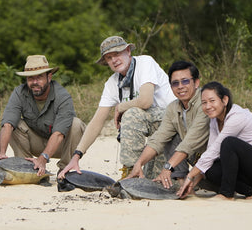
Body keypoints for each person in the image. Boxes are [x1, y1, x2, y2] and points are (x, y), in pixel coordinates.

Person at [58, 35, 176, 180]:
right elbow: (96, 122)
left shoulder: (145, 62)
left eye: (117, 54)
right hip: (155, 137)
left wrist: (121, 107)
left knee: (131, 113)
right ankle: (132, 171)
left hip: (174, 124)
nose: (114, 60)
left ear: (128, 51)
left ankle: (131, 171)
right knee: (151, 181)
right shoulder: (112, 83)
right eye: (108, 58)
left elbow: (146, 101)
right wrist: (77, 156)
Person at [177, 81, 252, 200]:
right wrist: (191, 185)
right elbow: (211, 154)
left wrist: (189, 176)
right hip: (249, 171)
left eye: (212, 101)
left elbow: (216, 148)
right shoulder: (214, 120)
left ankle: (226, 194)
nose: (208, 106)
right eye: (204, 102)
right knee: (211, 170)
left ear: (225, 100)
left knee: (229, 143)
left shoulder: (237, 116)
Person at [0, 55, 85, 176]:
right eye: (30, 78)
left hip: (62, 145)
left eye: (39, 77)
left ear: (49, 77)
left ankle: (65, 170)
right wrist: (1, 152)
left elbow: (59, 133)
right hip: (36, 142)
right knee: (14, 124)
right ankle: (27, 168)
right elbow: (7, 123)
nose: (35, 82)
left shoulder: (63, 96)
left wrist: (43, 158)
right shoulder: (19, 92)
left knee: (76, 124)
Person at [127, 61, 211, 189]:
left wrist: (167, 167)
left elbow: (191, 141)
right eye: (175, 83)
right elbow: (159, 138)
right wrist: (139, 163)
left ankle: (197, 181)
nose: (180, 86)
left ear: (196, 83)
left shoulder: (206, 102)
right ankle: (181, 182)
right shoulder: (173, 107)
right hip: (196, 157)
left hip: (215, 157)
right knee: (169, 137)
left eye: (185, 81)